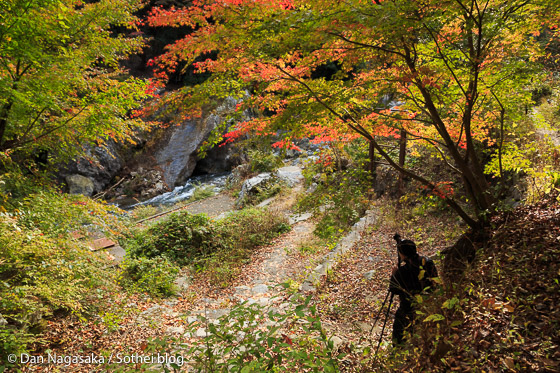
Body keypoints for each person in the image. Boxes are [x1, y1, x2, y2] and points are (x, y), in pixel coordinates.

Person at [389, 238, 438, 345]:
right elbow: (435, 282)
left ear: (403, 255)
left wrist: (394, 275)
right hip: (429, 303)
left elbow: (393, 289)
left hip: (408, 307)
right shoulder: (428, 263)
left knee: (399, 332)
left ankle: (398, 350)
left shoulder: (402, 271)